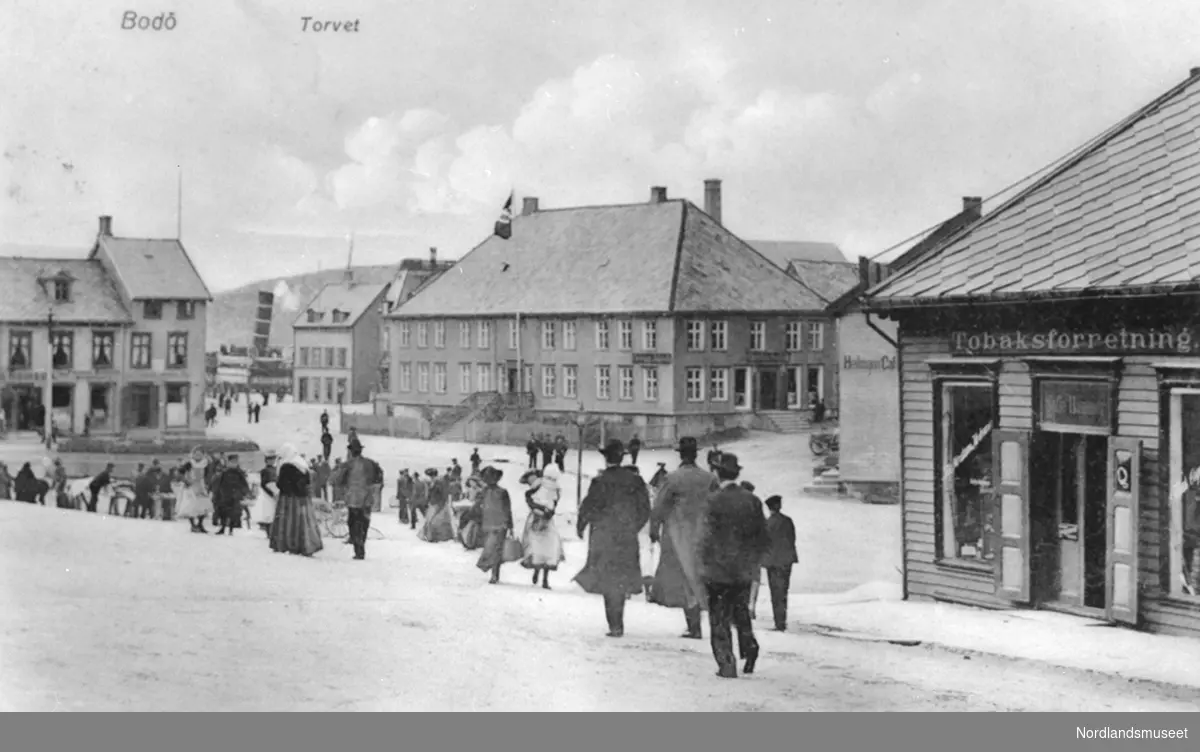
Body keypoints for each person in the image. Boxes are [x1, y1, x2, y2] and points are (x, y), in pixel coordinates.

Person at [699, 453, 770, 679]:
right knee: (741, 612)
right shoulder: (752, 500)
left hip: (718, 570)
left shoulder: (713, 500)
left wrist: (704, 562)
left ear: (718, 473)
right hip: (743, 569)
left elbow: (705, 538)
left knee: (719, 616)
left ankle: (726, 662)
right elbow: (763, 536)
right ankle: (750, 649)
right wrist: (752, 560)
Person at [574, 440, 651, 638]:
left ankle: (615, 624)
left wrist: (581, 525)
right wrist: (634, 527)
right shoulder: (635, 480)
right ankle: (618, 621)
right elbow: (645, 509)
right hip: (626, 535)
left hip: (603, 536)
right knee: (622, 577)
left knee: (608, 579)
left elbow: (588, 506)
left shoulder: (600, 481)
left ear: (606, 458)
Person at [648, 437, 719, 640]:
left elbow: (659, 506)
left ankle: (693, 625)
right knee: (700, 576)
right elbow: (718, 505)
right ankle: (701, 622)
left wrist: (654, 529)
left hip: (678, 534)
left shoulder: (673, 478)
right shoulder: (709, 478)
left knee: (685, 578)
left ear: (680, 454)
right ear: (696, 454)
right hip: (705, 534)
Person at [330, 438, 383, 560]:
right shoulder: (370, 463)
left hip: (353, 499)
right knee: (364, 523)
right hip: (367, 498)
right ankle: (361, 546)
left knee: (353, 523)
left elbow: (337, 480)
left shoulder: (347, 465)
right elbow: (379, 476)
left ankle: (358, 547)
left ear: (351, 452)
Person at [270, 443, 324, 557]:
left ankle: (288, 544)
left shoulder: (286, 465)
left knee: (288, 522)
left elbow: (281, 483)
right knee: (304, 521)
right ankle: (306, 544)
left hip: (288, 498)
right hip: (303, 498)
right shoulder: (302, 463)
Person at [520, 465, 566, 588]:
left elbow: (528, 496)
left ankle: (538, 571)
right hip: (546, 520)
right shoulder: (556, 488)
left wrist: (536, 508)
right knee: (548, 548)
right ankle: (544, 577)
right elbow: (554, 504)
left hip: (536, 518)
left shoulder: (540, 484)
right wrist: (547, 511)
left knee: (537, 547)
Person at [762, 495, 798, 632]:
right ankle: (782, 620)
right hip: (787, 560)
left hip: (773, 562)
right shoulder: (788, 521)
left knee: (775, 592)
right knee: (783, 591)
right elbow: (792, 539)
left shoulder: (768, 523)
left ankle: (779, 622)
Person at [473, 466, 514, 583]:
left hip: (500, 525)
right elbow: (477, 505)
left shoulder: (502, 492)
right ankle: (493, 572)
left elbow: (507, 509)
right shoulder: (484, 491)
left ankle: (494, 574)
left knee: (495, 549)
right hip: (487, 524)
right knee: (491, 549)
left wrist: (510, 525)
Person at [175, 457, 213, 533]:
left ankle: (200, 524)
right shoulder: (189, 463)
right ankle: (193, 525)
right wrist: (185, 481)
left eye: (200, 453)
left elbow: (208, 475)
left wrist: (207, 484)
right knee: (191, 507)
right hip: (190, 488)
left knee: (203, 506)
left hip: (201, 487)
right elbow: (179, 474)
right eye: (197, 453)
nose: (198, 455)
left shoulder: (205, 464)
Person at [214, 455, 250, 535]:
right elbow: (219, 483)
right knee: (223, 512)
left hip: (236, 495)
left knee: (233, 513)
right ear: (228, 462)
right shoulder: (225, 472)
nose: (233, 464)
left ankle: (231, 529)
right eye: (232, 462)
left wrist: (245, 492)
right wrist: (217, 493)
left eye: (235, 462)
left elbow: (244, 484)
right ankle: (223, 528)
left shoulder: (239, 473)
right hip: (225, 494)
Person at [418, 469, 455, 543]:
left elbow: (444, 494)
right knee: (429, 520)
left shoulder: (439, 482)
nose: (428, 477)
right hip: (433, 504)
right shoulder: (431, 482)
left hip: (439, 504)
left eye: (429, 476)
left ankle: (435, 537)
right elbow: (429, 494)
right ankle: (430, 536)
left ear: (433, 475)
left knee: (435, 520)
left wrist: (442, 504)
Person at [257, 451, 279, 535]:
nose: (272, 461)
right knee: (267, 513)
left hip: (275, 492)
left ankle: (273, 532)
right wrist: (270, 493)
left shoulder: (276, 469)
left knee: (273, 513)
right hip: (267, 494)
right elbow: (263, 483)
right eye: (270, 460)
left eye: (273, 459)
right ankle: (268, 532)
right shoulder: (264, 471)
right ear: (266, 461)